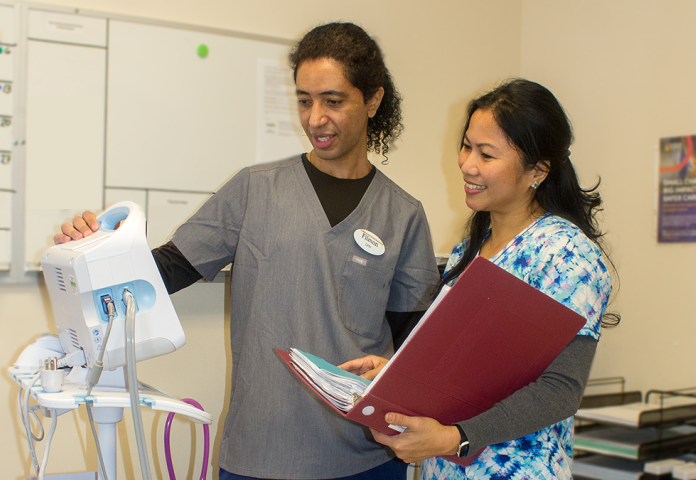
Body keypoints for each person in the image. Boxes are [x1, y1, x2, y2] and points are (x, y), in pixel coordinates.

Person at [55, 23, 439, 480]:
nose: (315, 118)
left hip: (366, 456)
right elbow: (167, 270)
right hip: (261, 453)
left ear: (372, 101)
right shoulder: (256, 189)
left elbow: (418, 347)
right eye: (304, 100)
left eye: (333, 101)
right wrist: (91, 252)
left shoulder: (403, 214)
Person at [340, 78, 620, 480]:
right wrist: (397, 374)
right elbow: (462, 369)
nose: (468, 165)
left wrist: (458, 438)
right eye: (467, 146)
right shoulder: (469, 249)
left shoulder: (565, 255)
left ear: (538, 170)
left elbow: (559, 389)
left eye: (487, 154)